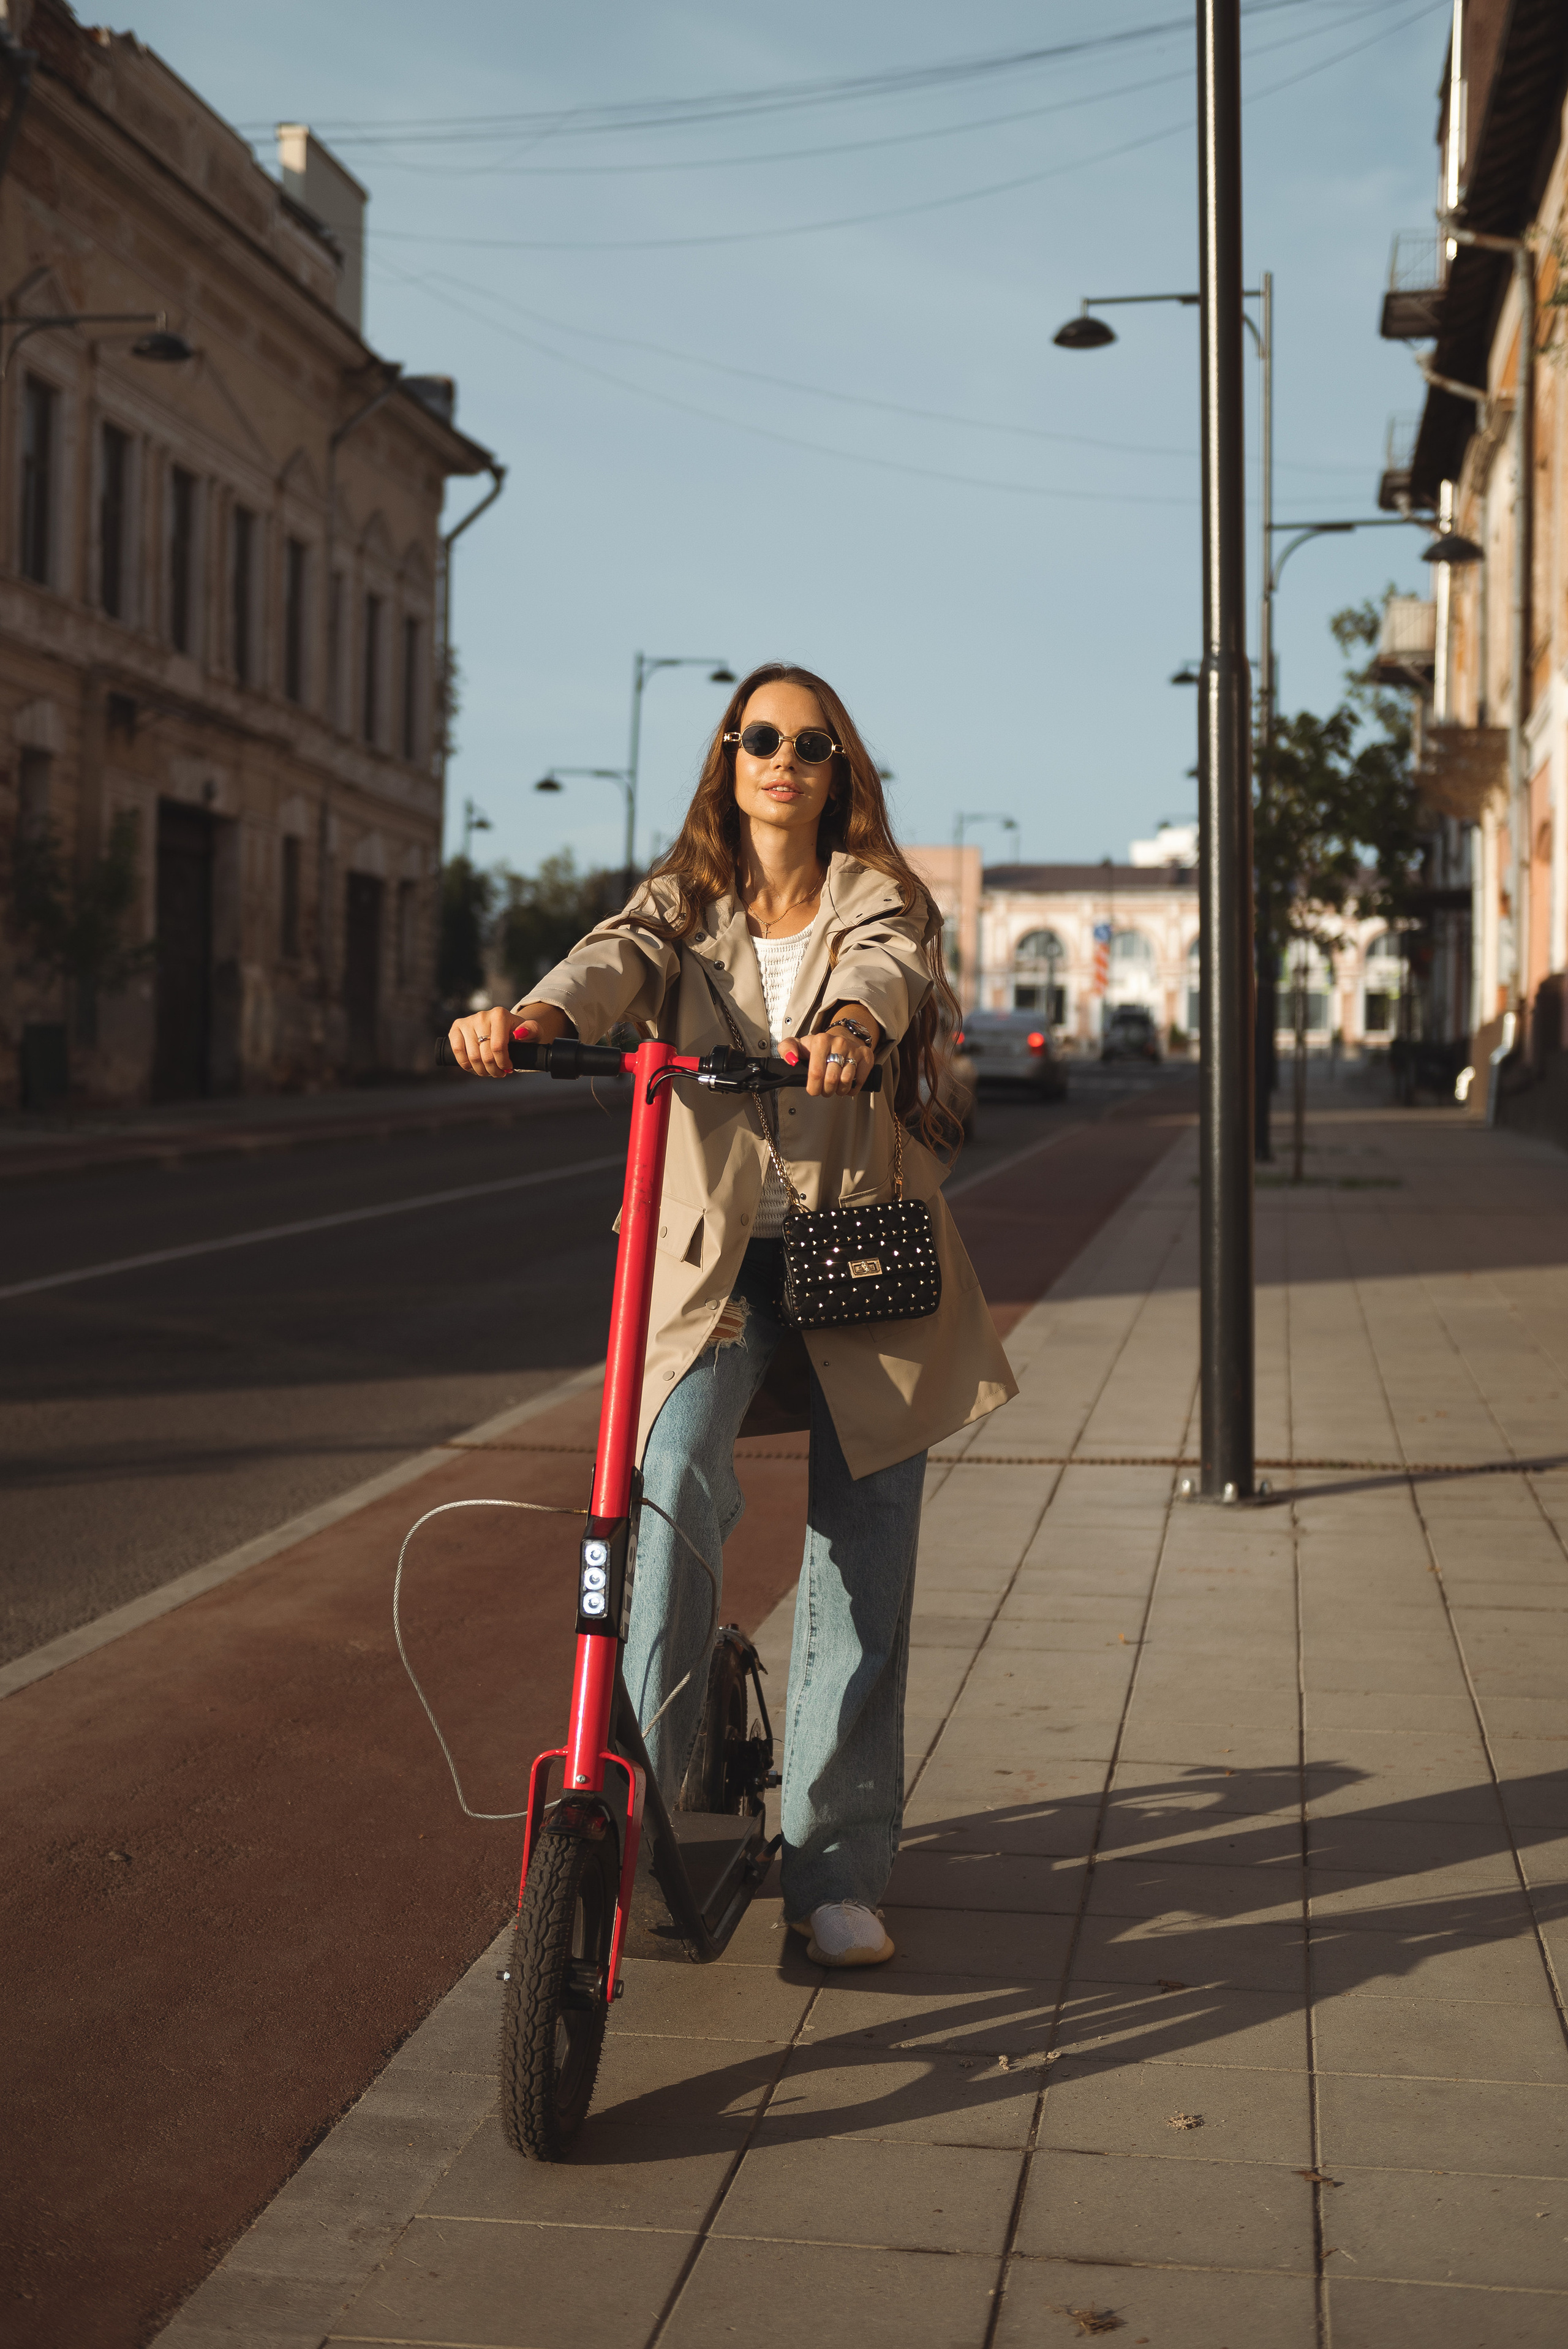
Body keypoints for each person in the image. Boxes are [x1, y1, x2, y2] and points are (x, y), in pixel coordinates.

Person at [451, 663, 1016, 1966]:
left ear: (836, 772)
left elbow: (884, 967)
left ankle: (833, 1872)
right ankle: (627, 1829)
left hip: (856, 1250)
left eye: (810, 744)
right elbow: (615, 960)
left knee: (862, 1556)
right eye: (759, 736)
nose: (782, 758)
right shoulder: (683, 901)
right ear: (727, 756)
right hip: (706, 1261)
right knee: (667, 1489)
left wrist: (849, 1027)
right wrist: (532, 1018)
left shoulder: (881, 895)